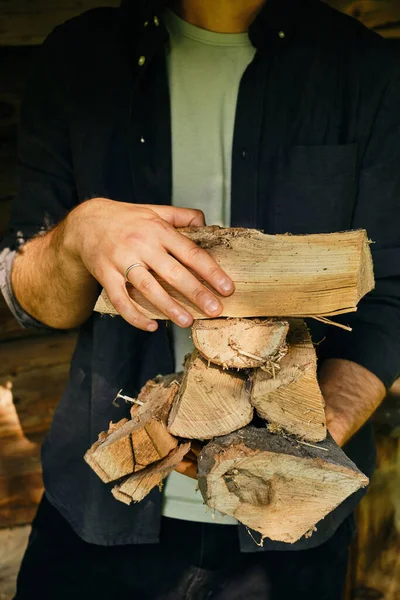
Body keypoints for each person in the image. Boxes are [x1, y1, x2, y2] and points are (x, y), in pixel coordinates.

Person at [1, 0, 399, 598]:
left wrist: (312, 434)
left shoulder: (364, 70)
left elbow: (391, 293)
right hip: (100, 514)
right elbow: (34, 301)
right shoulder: (78, 57)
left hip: (290, 522)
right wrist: (80, 234)